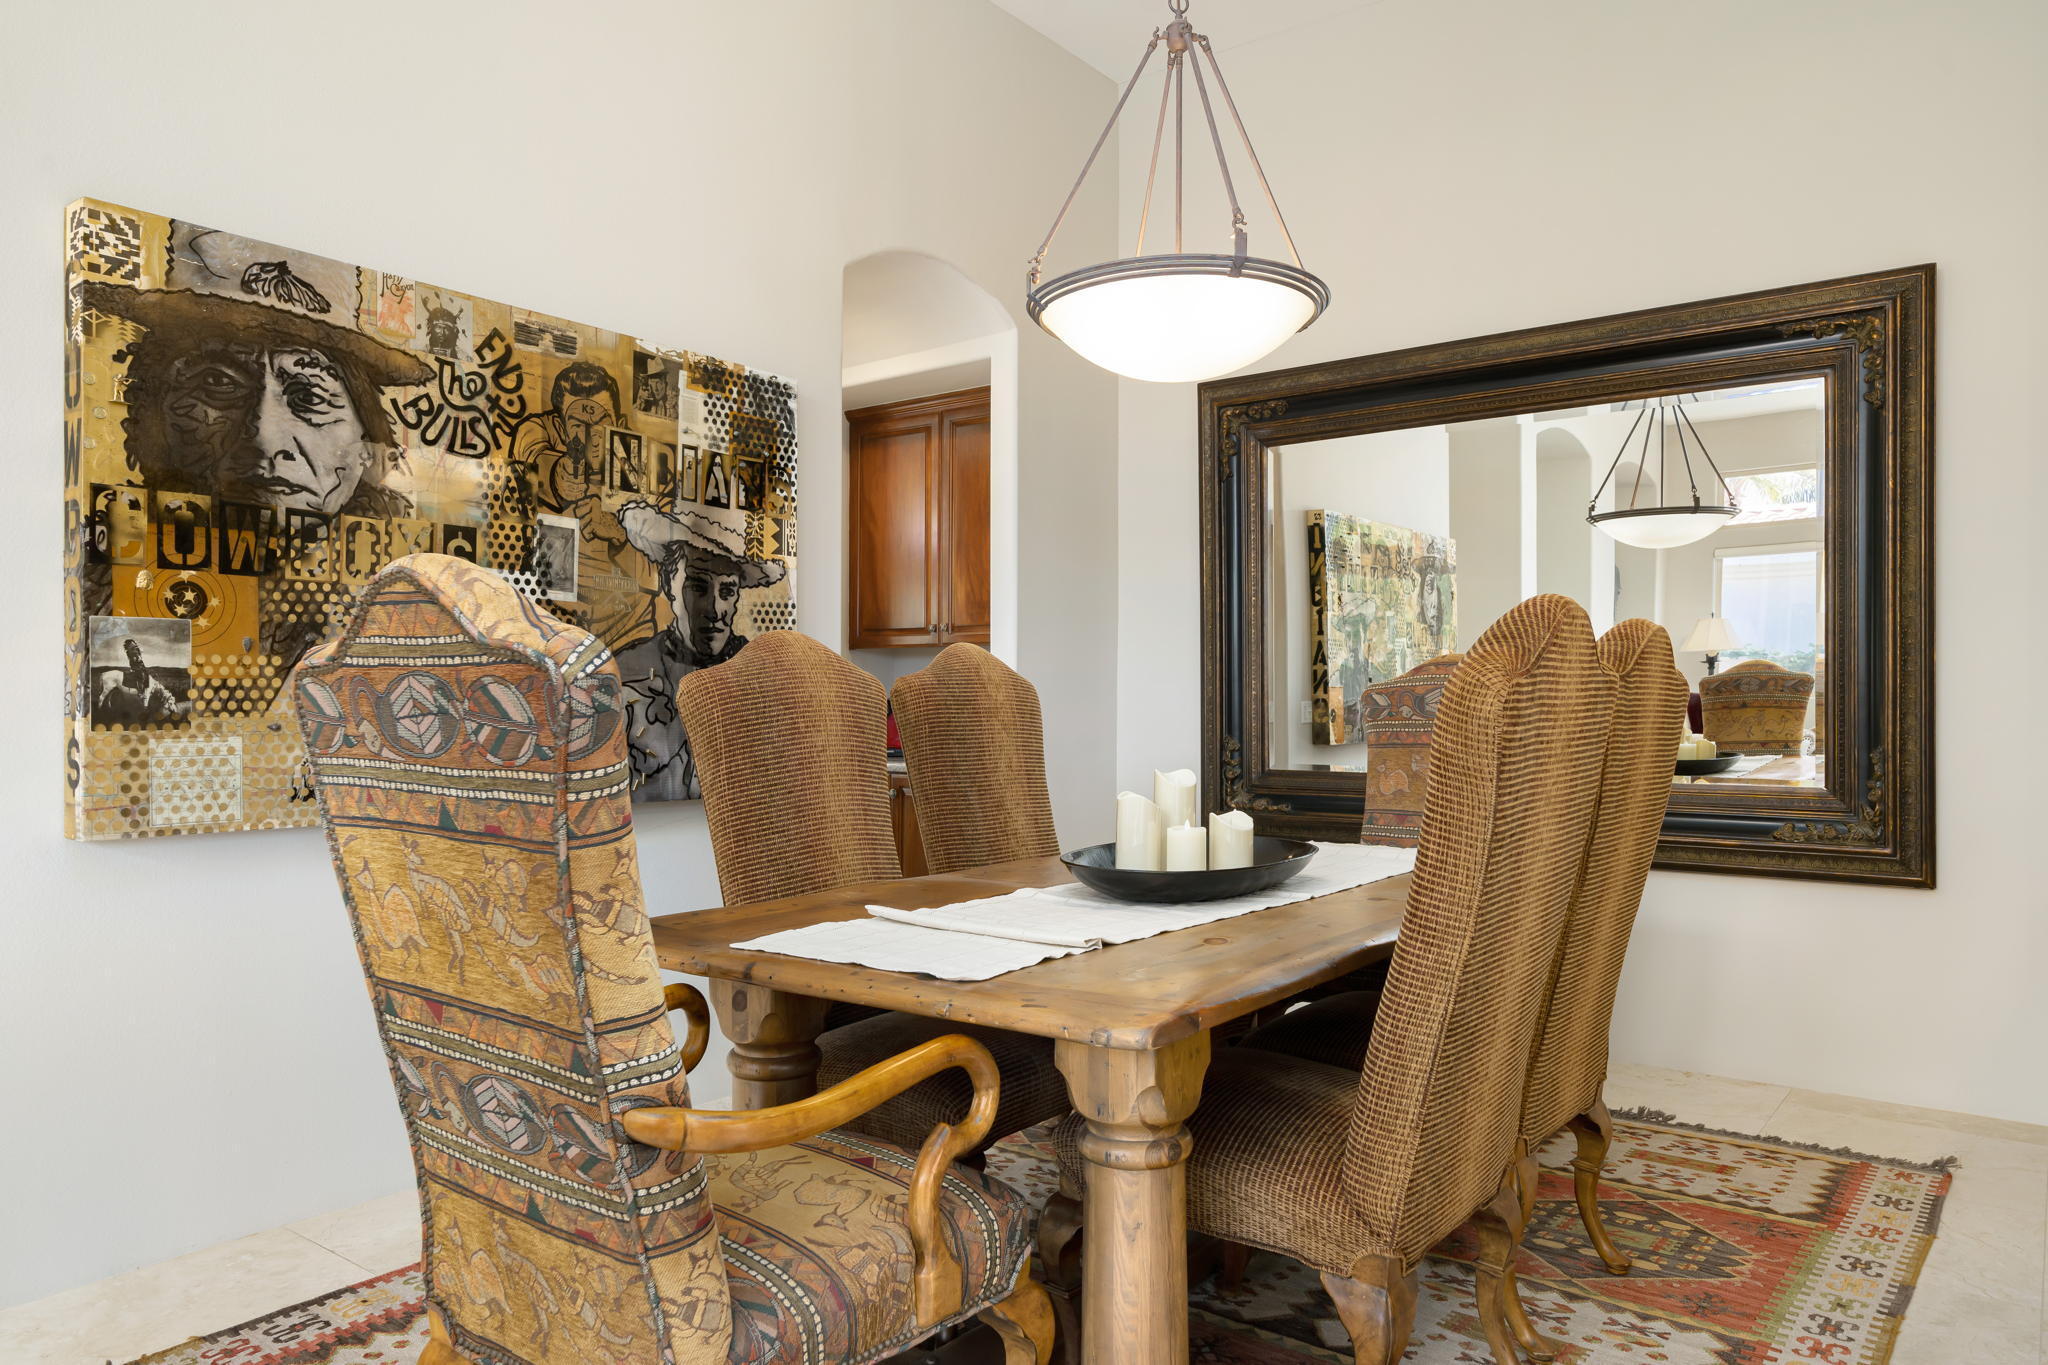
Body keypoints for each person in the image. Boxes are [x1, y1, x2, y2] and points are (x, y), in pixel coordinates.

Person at [612, 502, 788, 801]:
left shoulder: (763, 677)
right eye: (697, 587)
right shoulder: (626, 668)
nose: (715, 610)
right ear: (669, 584)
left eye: (728, 591)